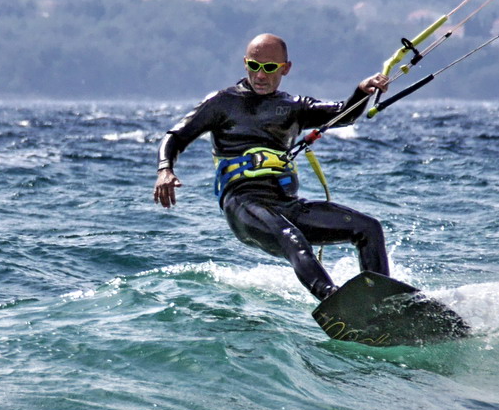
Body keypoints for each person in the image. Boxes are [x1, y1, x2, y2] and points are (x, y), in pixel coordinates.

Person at [153, 33, 391, 302]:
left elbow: (345, 114)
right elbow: (176, 136)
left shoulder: (294, 107)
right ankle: (333, 301)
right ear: (245, 64)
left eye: (269, 68)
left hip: (285, 204)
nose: (260, 75)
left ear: (285, 68)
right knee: (292, 237)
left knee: (369, 228)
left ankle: (383, 301)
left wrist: (362, 90)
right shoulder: (222, 102)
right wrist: (165, 169)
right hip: (243, 203)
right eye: (254, 66)